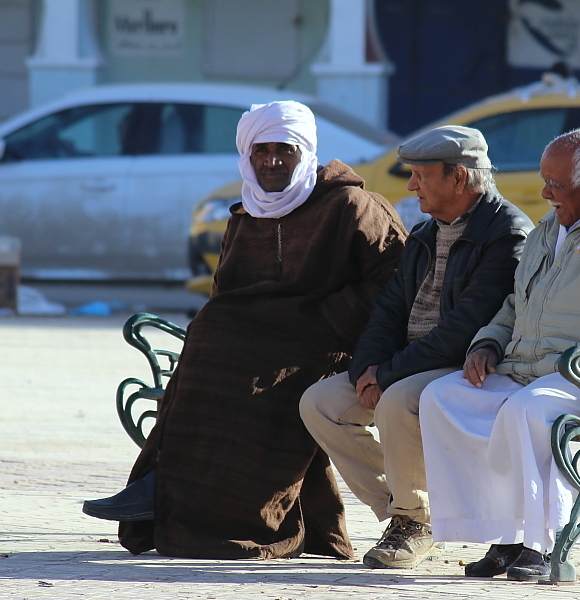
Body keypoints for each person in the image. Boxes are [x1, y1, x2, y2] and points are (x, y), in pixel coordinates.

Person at [82, 101, 407, 560]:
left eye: (284, 150)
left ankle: (216, 510)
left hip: (330, 342)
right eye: (262, 150)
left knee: (248, 379)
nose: (272, 161)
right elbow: (224, 294)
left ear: (306, 152)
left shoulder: (351, 206)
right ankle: (163, 490)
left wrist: (328, 316)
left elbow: (396, 282)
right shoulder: (246, 214)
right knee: (209, 347)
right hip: (259, 344)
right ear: (246, 155)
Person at [419, 129, 580, 581]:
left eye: (556, 184)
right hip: (533, 372)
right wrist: (488, 341)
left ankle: (545, 542)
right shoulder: (547, 230)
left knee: (527, 412)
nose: (545, 193)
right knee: (443, 398)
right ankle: (504, 534)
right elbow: (517, 303)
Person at [300, 126, 533, 569]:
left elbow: (466, 328)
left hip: (464, 365)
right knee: (320, 403)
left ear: (459, 178)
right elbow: (388, 310)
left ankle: (414, 519)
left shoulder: (506, 234)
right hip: (406, 363)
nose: (411, 186)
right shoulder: (427, 231)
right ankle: (412, 516)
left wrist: (387, 376)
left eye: (421, 175)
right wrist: (368, 367)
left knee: (398, 401)